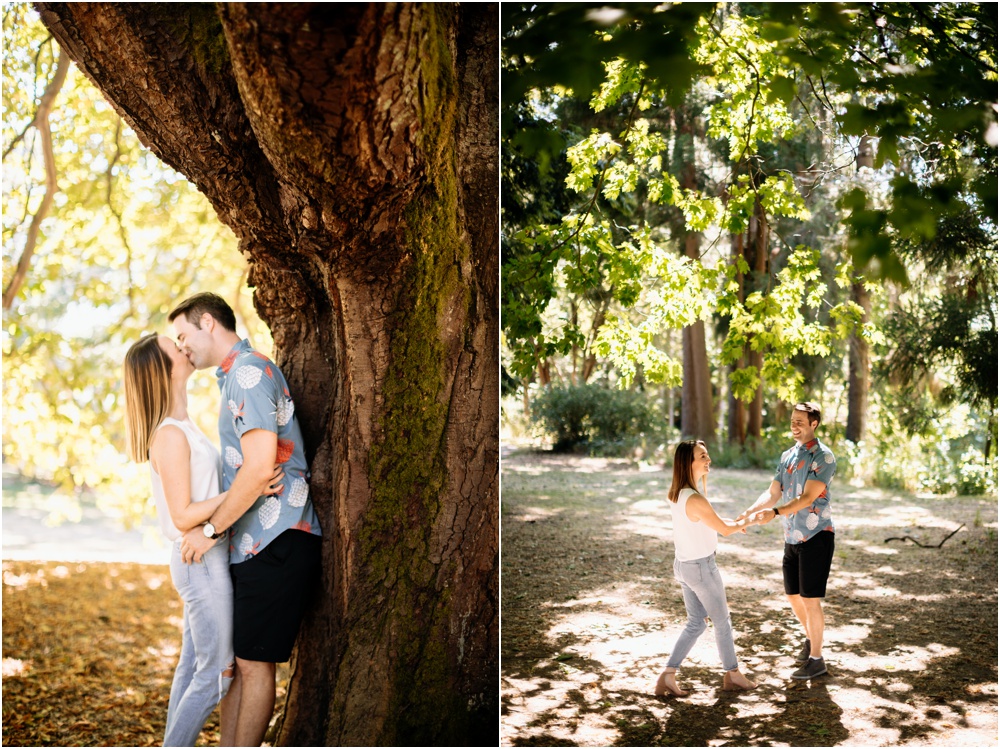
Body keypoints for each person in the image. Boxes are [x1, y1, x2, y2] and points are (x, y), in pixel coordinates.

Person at [168, 292, 323, 747]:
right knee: (241, 663)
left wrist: (211, 532)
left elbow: (258, 470)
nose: (182, 348)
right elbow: (254, 469)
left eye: (184, 335)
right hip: (258, 541)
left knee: (256, 665)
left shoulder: (250, 373)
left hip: (277, 538)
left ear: (209, 323)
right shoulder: (236, 376)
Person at [123, 333, 282, 746]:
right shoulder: (170, 434)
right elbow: (182, 515)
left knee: (192, 665)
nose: (183, 346)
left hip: (204, 557)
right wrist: (247, 489)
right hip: (199, 559)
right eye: (173, 346)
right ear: (163, 368)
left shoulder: (183, 425)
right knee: (217, 676)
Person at [655, 439, 764, 698]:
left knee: (696, 623)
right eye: (702, 456)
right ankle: (733, 674)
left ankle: (668, 675)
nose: (708, 460)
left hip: (684, 566)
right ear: (688, 463)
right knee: (722, 622)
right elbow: (724, 530)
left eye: (707, 455)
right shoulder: (694, 498)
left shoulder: (678, 493)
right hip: (702, 568)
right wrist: (747, 521)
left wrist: (736, 521)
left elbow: (710, 522)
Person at [736, 401, 836, 680]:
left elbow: (807, 497)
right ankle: (811, 640)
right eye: (792, 421)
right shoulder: (788, 455)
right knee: (793, 596)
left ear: (814, 424)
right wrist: (749, 513)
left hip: (816, 536)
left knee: (810, 599)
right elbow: (772, 493)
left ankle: (817, 660)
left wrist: (775, 513)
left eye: (800, 422)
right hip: (791, 536)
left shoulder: (823, 457)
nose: (794, 426)